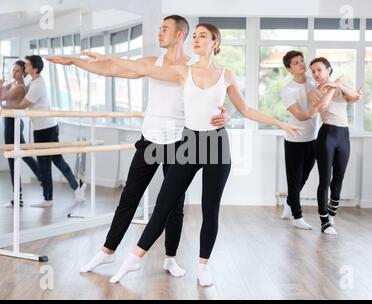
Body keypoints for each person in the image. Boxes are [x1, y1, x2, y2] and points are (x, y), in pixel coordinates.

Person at [85, 23, 303, 286]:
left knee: (209, 209)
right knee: (164, 203)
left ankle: (203, 266)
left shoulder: (227, 75)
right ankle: (134, 259)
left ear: (216, 43)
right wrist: (108, 57)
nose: (196, 40)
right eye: (195, 36)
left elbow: (246, 110)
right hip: (189, 143)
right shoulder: (181, 71)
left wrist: (281, 124)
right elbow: (142, 68)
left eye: (203, 36)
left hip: (217, 147)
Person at [48, 15, 231, 277]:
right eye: (159, 29)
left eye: (165, 29)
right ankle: (107, 251)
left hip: (181, 141)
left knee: (173, 205)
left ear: (180, 34)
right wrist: (76, 62)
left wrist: (226, 116)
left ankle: (170, 258)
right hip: (150, 139)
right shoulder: (151, 62)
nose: (159, 33)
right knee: (129, 197)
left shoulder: (195, 66)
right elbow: (112, 70)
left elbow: (216, 98)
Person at [3, 55, 86, 207]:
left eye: (27, 66)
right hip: (42, 128)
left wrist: (3, 108)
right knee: (48, 163)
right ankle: (54, 196)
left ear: (34, 69)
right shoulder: (33, 82)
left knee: (52, 161)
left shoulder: (37, 85)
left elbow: (22, 105)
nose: (25, 67)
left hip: (46, 129)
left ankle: (68, 189)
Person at [308, 57, 362, 235]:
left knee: (338, 178)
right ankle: (324, 221)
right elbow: (323, 105)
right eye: (313, 71)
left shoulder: (338, 88)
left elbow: (355, 97)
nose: (316, 74)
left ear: (329, 69)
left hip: (343, 135)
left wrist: (338, 85)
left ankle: (332, 214)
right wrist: (333, 86)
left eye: (319, 70)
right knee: (325, 179)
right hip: (327, 136)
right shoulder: (314, 92)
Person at [280, 51, 326, 229]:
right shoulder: (288, 90)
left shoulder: (313, 82)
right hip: (294, 141)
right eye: (296, 63)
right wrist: (316, 110)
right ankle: (297, 216)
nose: (301, 64)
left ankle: (289, 202)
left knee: (303, 178)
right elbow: (299, 115)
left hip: (312, 140)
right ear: (289, 69)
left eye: (301, 61)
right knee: (294, 179)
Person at [0, 60, 41, 207]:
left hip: (13, 124)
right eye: (13, 70)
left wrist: (1, 90)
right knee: (21, 156)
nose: (14, 73)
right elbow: (3, 99)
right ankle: (19, 196)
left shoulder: (20, 88)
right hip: (9, 122)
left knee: (15, 157)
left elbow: (3, 100)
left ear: (23, 72)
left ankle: (19, 196)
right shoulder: (12, 84)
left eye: (17, 71)